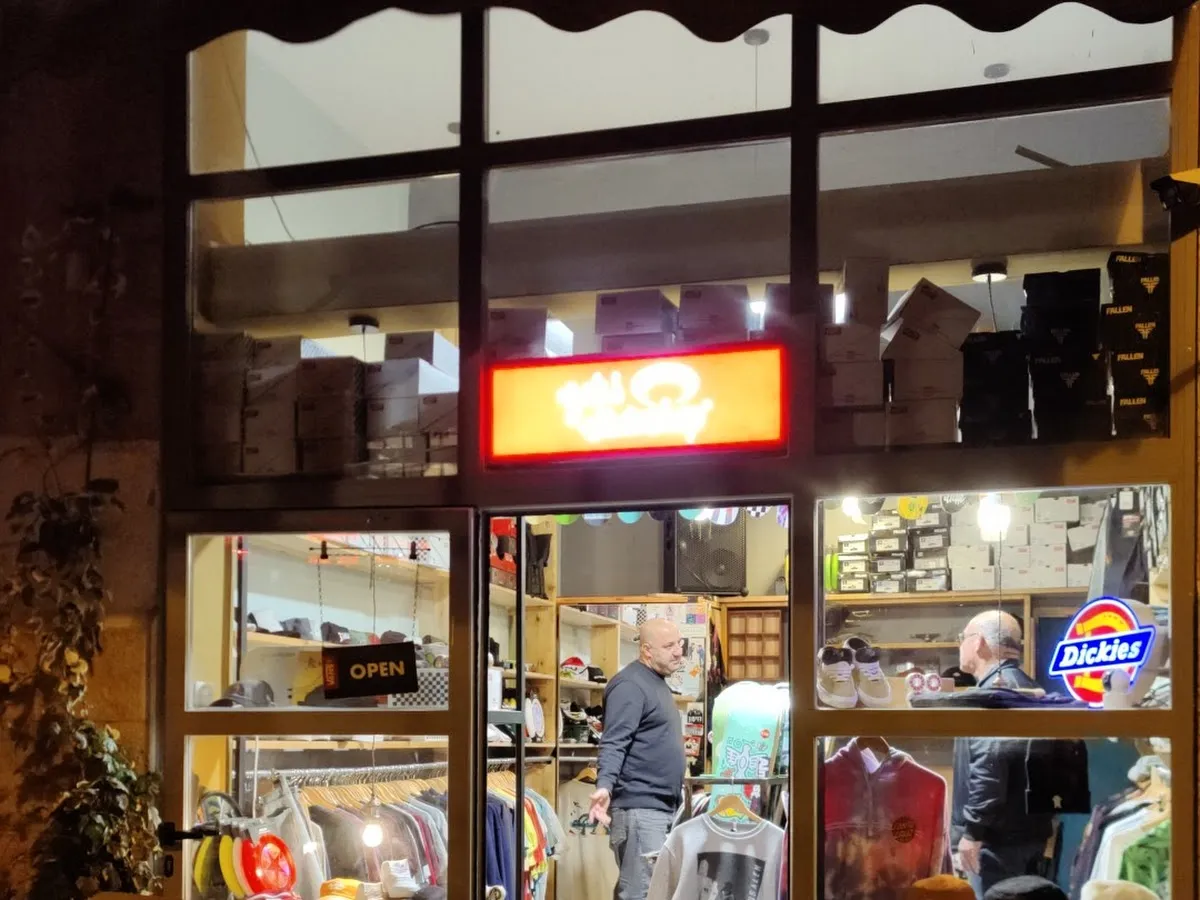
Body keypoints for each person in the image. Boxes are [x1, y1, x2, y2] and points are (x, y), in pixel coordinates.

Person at [952, 610, 1055, 899]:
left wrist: (973, 832)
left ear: (978, 642)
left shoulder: (996, 694)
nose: (960, 645)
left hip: (995, 843)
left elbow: (990, 766)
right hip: (1025, 834)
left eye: (962, 638)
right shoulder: (1029, 688)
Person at [588, 617, 686, 900]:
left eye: (679, 643)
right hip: (640, 809)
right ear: (647, 650)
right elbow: (614, 741)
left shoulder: (656, 683)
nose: (678, 651)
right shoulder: (630, 685)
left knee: (654, 891)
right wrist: (604, 786)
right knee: (641, 893)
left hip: (661, 808)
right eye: (669, 646)